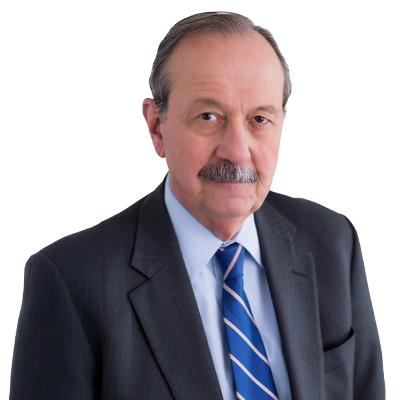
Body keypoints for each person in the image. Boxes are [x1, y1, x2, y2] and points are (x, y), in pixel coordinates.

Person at [10, 12, 384, 400]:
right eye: (208, 116)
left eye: (259, 118)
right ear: (156, 127)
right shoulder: (70, 280)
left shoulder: (332, 241)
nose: (237, 150)